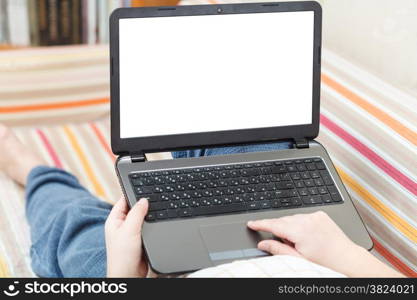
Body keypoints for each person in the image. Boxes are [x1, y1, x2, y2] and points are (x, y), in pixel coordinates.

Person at [0, 124, 404, 278]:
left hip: (152, 276)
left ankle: (34, 170)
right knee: (251, 131)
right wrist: (347, 256)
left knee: (75, 224)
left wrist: (123, 276)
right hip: (308, 254)